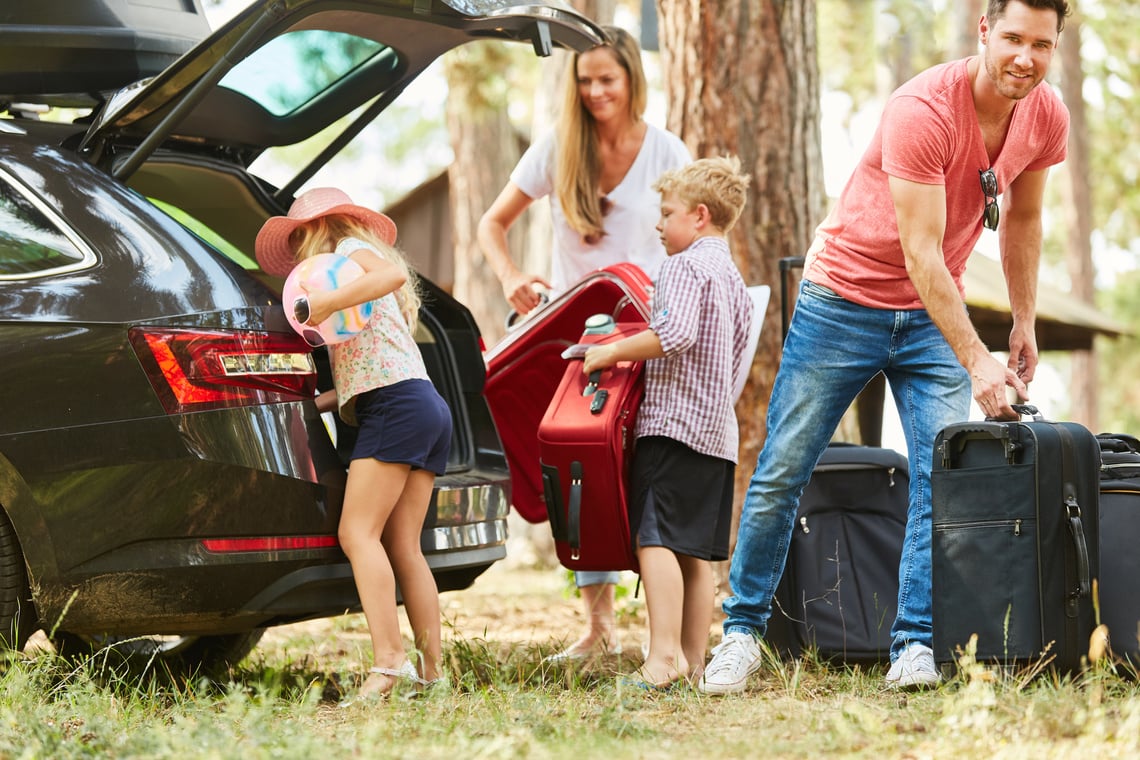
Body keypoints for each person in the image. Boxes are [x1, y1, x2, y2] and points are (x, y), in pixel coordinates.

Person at [698, 0, 1071, 695]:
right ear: (984, 30)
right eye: (1014, 37)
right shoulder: (923, 109)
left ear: (1055, 48)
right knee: (785, 466)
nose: (1026, 56)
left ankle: (915, 645)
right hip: (842, 303)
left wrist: (1023, 322)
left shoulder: (1045, 114)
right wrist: (977, 361)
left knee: (940, 478)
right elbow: (921, 252)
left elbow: (1026, 216)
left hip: (932, 317)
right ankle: (742, 634)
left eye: (1042, 44)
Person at [478, 25, 691, 660]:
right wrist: (513, 278)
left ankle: (667, 635)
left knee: (647, 470)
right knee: (581, 467)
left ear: (632, 80)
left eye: (608, 80)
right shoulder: (557, 148)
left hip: (648, 333)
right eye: (585, 81)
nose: (596, 92)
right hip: (579, 338)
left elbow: (695, 241)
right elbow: (493, 223)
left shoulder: (665, 152)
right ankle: (598, 629)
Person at [255, 187, 450, 701]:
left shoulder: (346, 258)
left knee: (357, 534)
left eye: (298, 238)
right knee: (404, 545)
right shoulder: (357, 297)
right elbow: (367, 372)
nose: (297, 253)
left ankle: (390, 664)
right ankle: (433, 672)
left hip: (395, 407)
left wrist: (321, 302)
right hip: (422, 403)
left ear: (318, 228)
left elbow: (391, 275)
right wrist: (310, 404)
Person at [583, 156, 752, 688]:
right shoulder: (734, 280)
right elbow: (739, 357)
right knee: (695, 550)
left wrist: (607, 351)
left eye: (667, 213)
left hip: (673, 425)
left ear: (699, 216)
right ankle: (694, 660)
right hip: (717, 433)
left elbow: (673, 333)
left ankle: (661, 659)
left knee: (653, 538)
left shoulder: (683, 266)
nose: (659, 224)